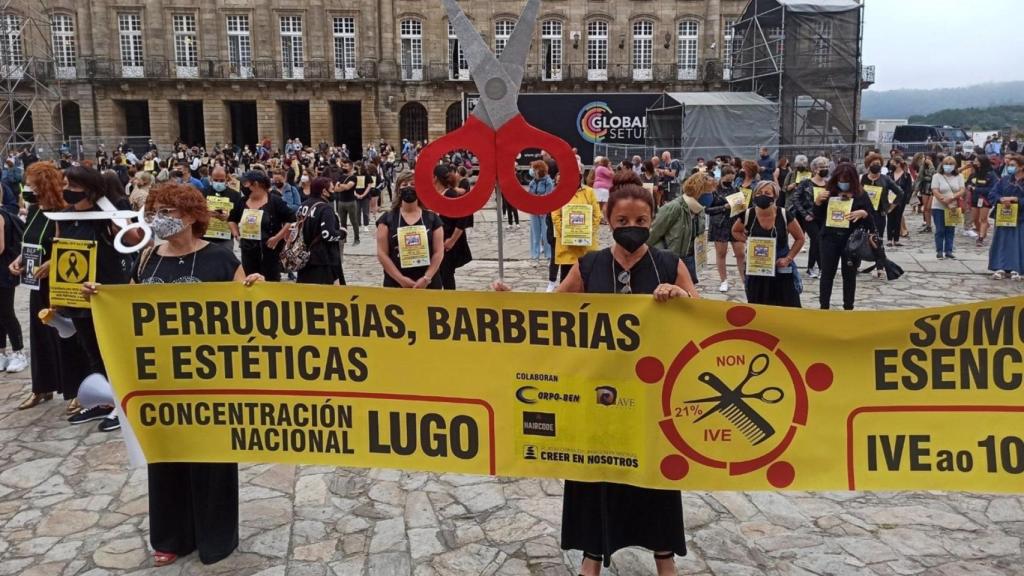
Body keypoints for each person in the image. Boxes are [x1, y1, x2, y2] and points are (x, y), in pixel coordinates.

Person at [494, 171, 695, 576]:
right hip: (597, 394)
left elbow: (703, 320)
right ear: (607, 219)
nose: (632, 229)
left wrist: (681, 297)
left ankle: (664, 556)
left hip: (650, 398)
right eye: (623, 222)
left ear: (652, 220)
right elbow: (551, 312)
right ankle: (592, 554)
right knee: (593, 475)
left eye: (641, 222)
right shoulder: (589, 266)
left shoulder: (669, 265)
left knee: (653, 479)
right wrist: (511, 300)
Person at [84, 183, 262, 567]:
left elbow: (248, 312)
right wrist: (101, 297)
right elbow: (128, 308)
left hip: (210, 380)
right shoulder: (148, 258)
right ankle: (172, 536)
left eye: (169, 211)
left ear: (191, 215)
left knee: (212, 458)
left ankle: (216, 537)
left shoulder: (220, 259)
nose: (159, 218)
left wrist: (254, 289)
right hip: (161, 380)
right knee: (165, 455)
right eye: (155, 210)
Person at [59, 166, 143, 431]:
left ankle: (122, 404)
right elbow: (61, 249)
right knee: (92, 350)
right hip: (78, 295)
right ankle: (105, 400)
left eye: (72, 186)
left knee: (113, 350)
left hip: (107, 292)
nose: (68, 191)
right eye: (66, 185)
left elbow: (135, 240)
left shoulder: (106, 213)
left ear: (89, 188)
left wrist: (115, 215)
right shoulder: (64, 215)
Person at [10, 163, 87, 409]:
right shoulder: (34, 210)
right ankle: (42, 387)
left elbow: (74, 247)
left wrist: (54, 263)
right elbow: (31, 241)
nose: (28, 188)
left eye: (32, 184)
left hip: (61, 282)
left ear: (43, 184)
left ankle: (78, 388)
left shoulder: (65, 211)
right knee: (40, 334)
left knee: (68, 334)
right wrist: (20, 258)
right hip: (36, 283)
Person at [732, 181, 805, 307]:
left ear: (774, 196)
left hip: (780, 267)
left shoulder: (784, 214)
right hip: (757, 268)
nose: (762, 195)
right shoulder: (748, 214)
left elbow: (800, 238)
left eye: (767, 193)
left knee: (788, 306)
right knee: (758, 307)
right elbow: (735, 231)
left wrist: (788, 258)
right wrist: (748, 241)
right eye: (759, 193)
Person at [816, 163, 875, 310]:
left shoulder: (861, 195)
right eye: (841, 180)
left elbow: (872, 220)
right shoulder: (828, 193)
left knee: (849, 275)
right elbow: (816, 217)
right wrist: (817, 202)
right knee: (827, 273)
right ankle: (824, 306)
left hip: (851, 241)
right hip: (829, 239)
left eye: (847, 180)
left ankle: (848, 306)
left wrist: (863, 214)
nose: (843, 183)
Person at [376, 172, 444, 289]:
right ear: (398, 190)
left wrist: (426, 278)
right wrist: (400, 279)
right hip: (396, 282)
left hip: (428, 282)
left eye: (413, 184)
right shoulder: (387, 219)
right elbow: (382, 253)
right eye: (404, 184)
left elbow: (439, 251)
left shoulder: (432, 219)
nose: (408, 187)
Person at [228, 170, 295, 281]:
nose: (244, 187)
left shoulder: (274, 201)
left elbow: (291, 219)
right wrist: (236, 234)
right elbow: (232, 219)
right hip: (248, 252)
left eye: (246, 184)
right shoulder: (242, 202)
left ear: (256, 184)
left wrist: (277, 238)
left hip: (269, 253)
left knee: (270, 283)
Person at [649, 172, 710, 284]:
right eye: (708, 193)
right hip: (671, 259)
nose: (711, 196)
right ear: (699, 192)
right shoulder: (674, 207)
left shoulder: (699, 209)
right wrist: (664, 253)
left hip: (690, 258)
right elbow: (653, 234)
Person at [549, 178, 601, 291]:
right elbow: (555, 215)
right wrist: (566, 232)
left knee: (587, 284)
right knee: (566, 284)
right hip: (567, 249)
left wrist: (587, 231)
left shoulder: (589, 192)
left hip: (586, 248)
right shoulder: (559, 193)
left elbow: (597, 215)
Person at [295, 177, 346, 285]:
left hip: (303, 256)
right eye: (332, 189)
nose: (334, 192)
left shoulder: (303, 205)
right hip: (322, 260)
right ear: (324, 191)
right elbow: (327, 234)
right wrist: (342, 233)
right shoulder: (325, 209)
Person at [859, 153, 902, 277]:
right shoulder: (862, 178)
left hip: (879, 214)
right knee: (859, 238)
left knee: (877, 239)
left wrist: (890, 207)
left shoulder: (885, 179)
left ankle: (880, 266)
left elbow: (899, 192)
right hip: (863, 213)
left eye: (878, 164)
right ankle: (855, 264)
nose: (875, 166)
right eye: (873, 164)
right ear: (868, 165)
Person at [707, 165, 746, 292]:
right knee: (721, 253)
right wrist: (724, 207)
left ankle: (745, 280)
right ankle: (723, 281)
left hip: (735, 224)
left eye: (732, 179)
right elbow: (707, 209)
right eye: (727, 179)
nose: (730, 182)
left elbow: (741, 208)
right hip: (719, 224)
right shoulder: (713, 190)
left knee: (740, 253)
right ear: (722, 177)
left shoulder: (736, 189)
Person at [434, 165, 473, 290]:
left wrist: (452, 240)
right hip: (438, 241)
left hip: (448, 243)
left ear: (435, 178)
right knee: (438, 274)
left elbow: (462, 217)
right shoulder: (436, 195)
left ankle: (450, 302)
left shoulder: (450, 194)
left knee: (447, 275)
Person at [988, 154, 1023, 280]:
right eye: (1009, 165)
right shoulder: (1005, 180)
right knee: (1001, 242)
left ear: (1021, 167)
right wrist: (1001, 199)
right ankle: (1000, 267)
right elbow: (993, 194)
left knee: (1017, 243)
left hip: (1020, 217)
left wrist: (1016, 199)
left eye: (1013, 165)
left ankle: (1016, 268)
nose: (1010, 167)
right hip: (1004, 216)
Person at [930, 156, 966, 260]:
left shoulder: (959, 176)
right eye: (946, 164)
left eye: (951, 164)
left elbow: (962, 190)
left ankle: (949, 250)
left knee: (950, 230)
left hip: (953, 206)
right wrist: (943, 199)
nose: (948, 166)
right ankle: (939, 250)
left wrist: (952, 198)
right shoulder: (937, 176)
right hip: (938, 206)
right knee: (940, 229)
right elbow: (935, 190)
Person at [966, 155, 997, 248]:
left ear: (981, 162)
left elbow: (992, 188)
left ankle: (980, 238)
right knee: (975, 218)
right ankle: (982, 230)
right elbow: (968, 182)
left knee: (982, 218)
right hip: (975, 199)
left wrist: (977, 189)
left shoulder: (991, 174)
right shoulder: (975, 173)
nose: (974, 162)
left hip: (985, 199)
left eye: (976, 160)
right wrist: (969, 186)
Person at [527, 160, 553, 261]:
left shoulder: (548, 181)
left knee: (546, 233)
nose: (533, 171)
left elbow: (548, 195)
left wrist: (537, 197)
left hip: (544, 211)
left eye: (534, 169)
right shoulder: (532, 182)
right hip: (534, 210)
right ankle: (535, 255)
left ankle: (548, 255)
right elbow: (529, 195)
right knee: (535, 234)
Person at [331, 161, 360, 245]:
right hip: (341, 202)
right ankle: (344, 238)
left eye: (346, 166)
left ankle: (356, 239)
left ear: (351, 167)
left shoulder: (353, 177)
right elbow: (335, 189)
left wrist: (341, 186)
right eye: (343, 166)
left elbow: (348, 187)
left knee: (354, 221)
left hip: (351, 202)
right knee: (342, 222)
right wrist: (342, 186)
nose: (344, 167)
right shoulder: (341, 177)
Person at [887, 158, 913, 248]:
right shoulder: (889, 174)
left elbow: (909, 189)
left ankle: (896, 239)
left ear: (898, 164)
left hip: (900, 200)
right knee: (890, 218)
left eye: (893, 163)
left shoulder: (906, 176)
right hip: (890, 199)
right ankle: (889, 239)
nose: (891, 165)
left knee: (898, 219)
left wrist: (906, 200)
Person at [913, 153, 936, 233]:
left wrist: (931, 165)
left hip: (933, 188)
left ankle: (934, 224)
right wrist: (915, 190)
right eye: (926, 158)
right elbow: (920, 177)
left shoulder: (936, 165)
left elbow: (934, 175)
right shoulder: (923, 166)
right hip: (925, 187)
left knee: (930, 208)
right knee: (926, 208)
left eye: (929, 158)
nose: (927, 160)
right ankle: (928, 225)